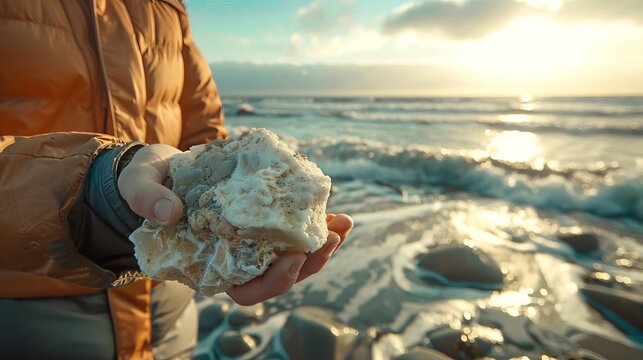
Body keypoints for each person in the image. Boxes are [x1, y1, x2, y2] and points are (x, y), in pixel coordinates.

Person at [0, 1, 353, 359]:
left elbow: (206, 133)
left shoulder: (167, 5)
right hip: (32, 306)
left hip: (167, 298)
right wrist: (96, 195)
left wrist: (236, 226)